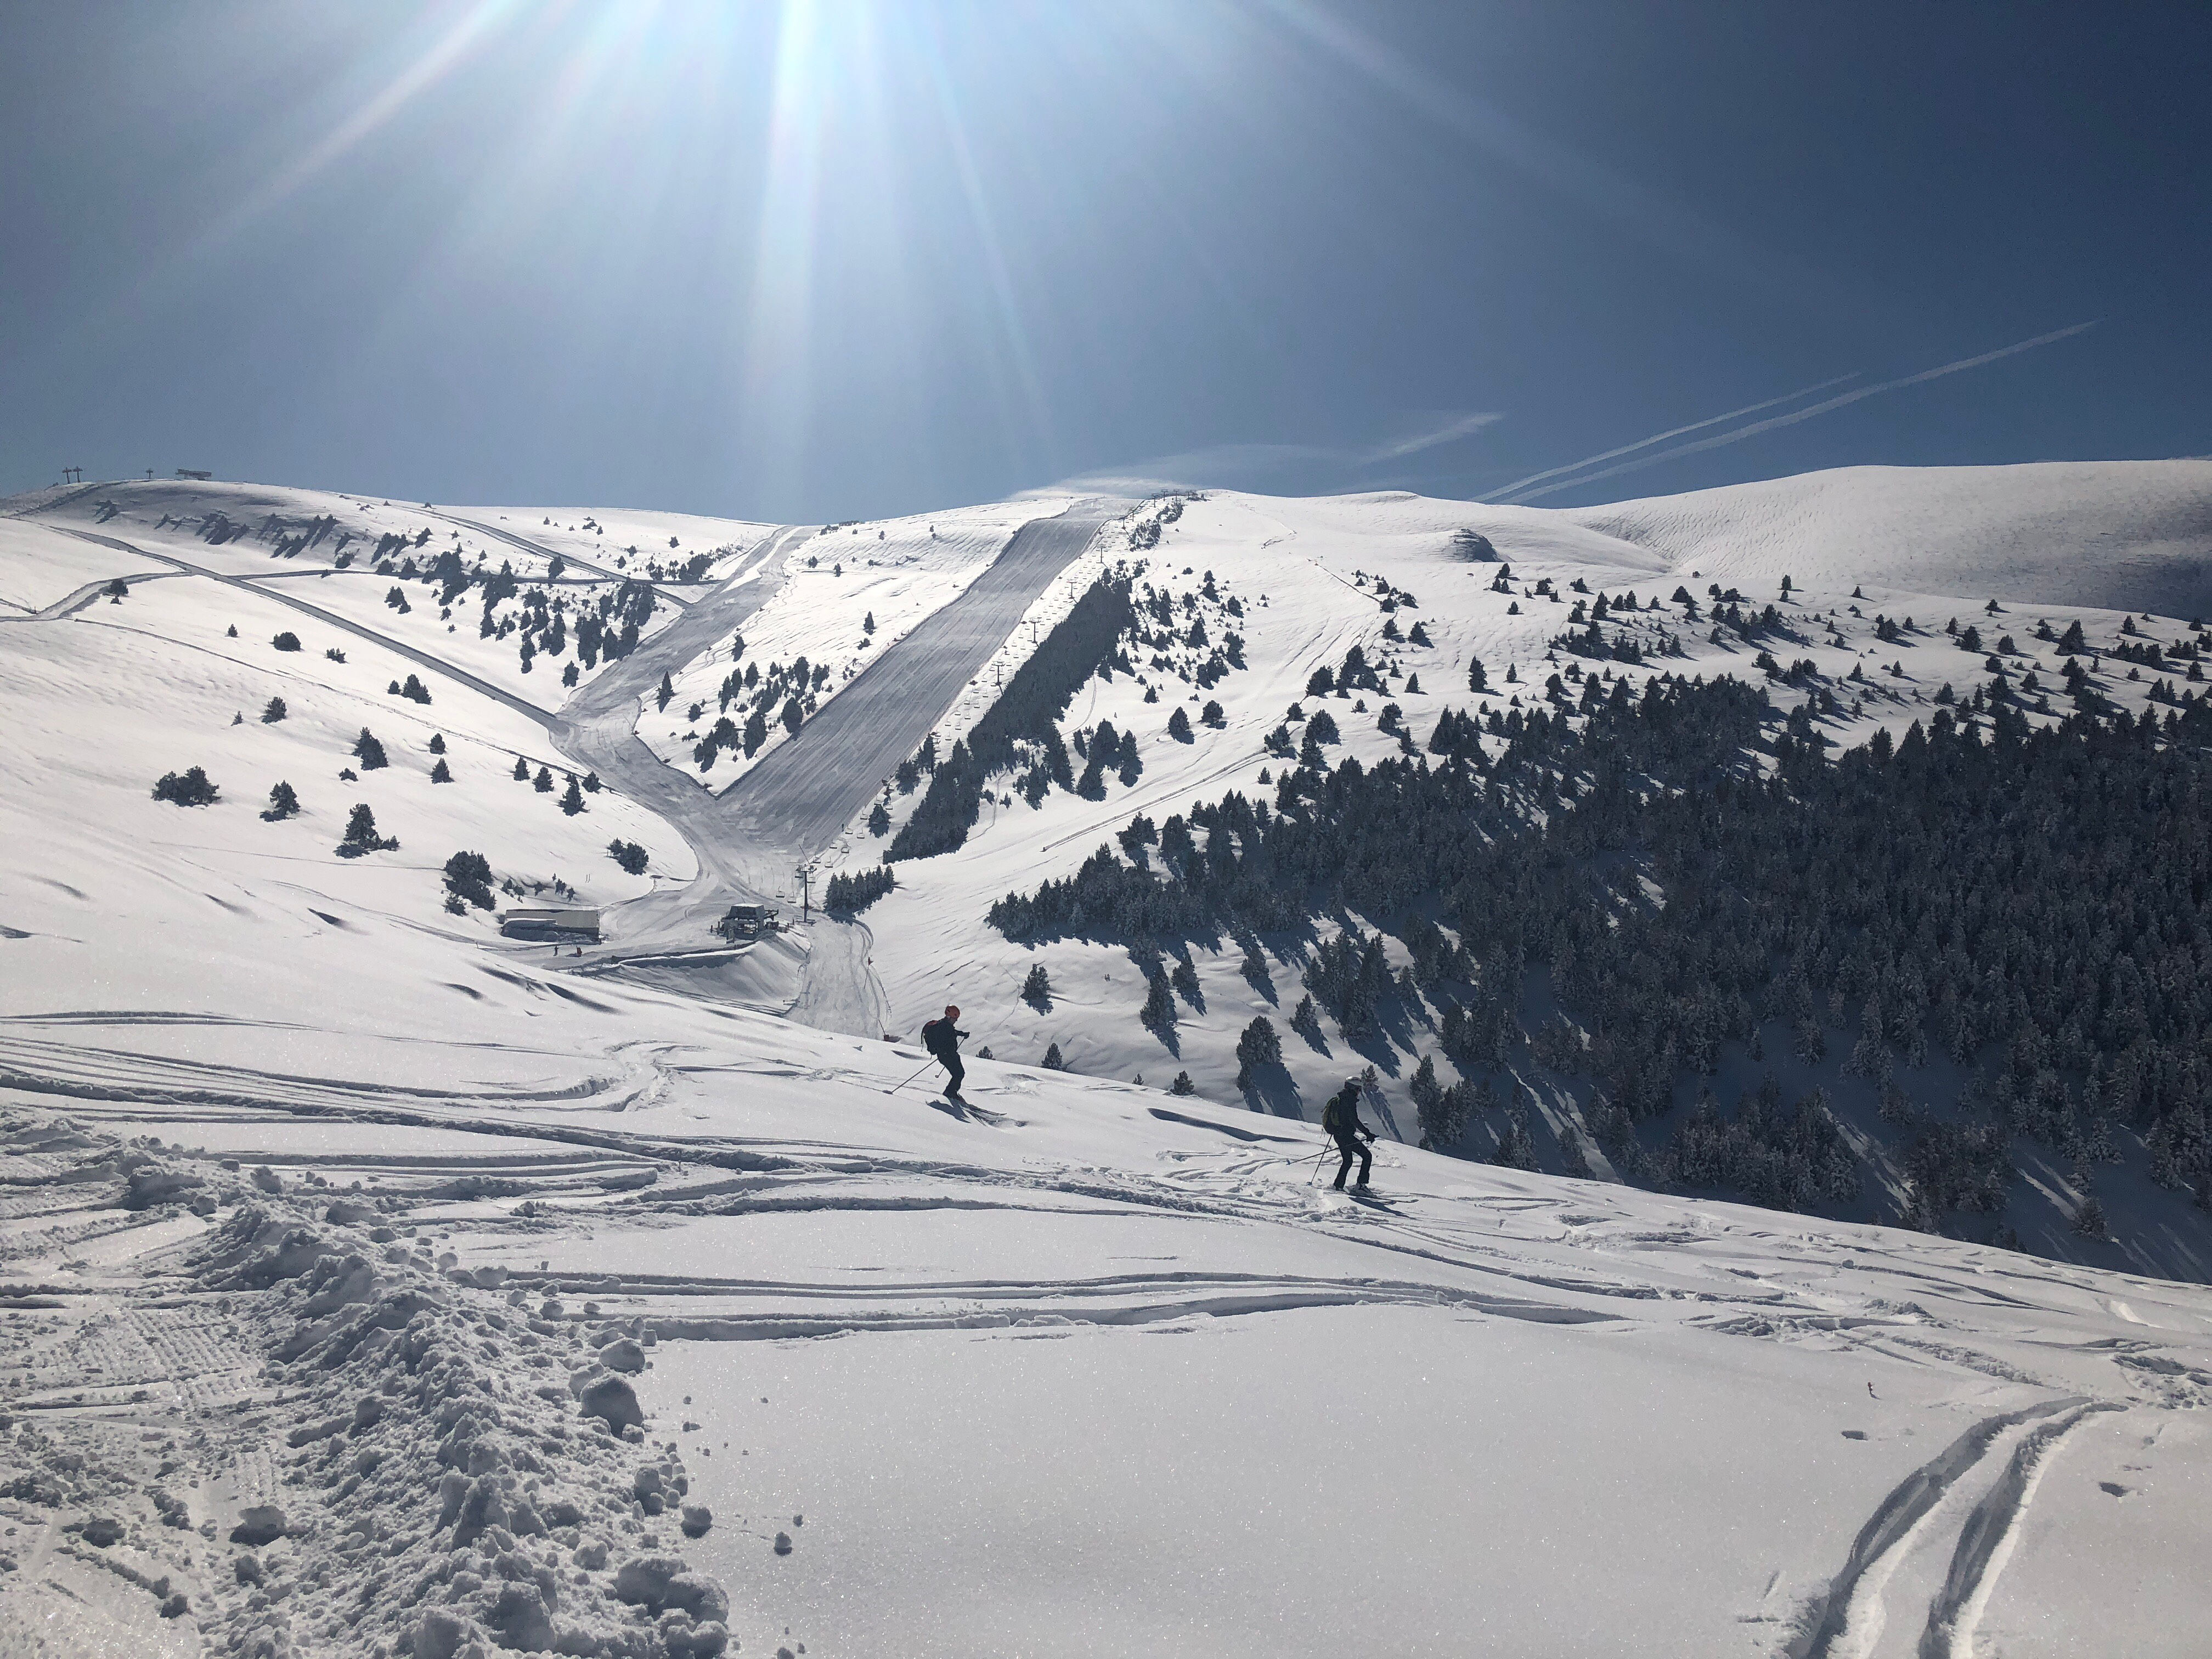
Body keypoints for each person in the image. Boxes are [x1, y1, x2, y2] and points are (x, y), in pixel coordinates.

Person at [1321, 1080, 1376, 1191]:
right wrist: (1368, 1134)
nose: (1359, 1092)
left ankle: (1338, 1185)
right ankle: (1361, 1186)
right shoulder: (1349, 1101)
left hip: (1339, 1135)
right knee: (1367, 1156)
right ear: (1353, 1088)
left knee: (1348, 1161)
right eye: (1358, 1089)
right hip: (1346, 1136)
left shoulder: (1340, 1099)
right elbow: (1354, 1120)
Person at [921, 1005, 970, 1100]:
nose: (956, 1020)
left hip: (948, 1055)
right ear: (950, 1017)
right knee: (959, 1074)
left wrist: (962, 1034)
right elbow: (946, 1037)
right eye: (955, 1018)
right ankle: (950, 1093)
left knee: (959, 1074)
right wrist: (945, 1051)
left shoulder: (945, 1025)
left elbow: (953, 1032)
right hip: (947, 1056)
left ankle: (951, 1092)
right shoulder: (944, 1027)